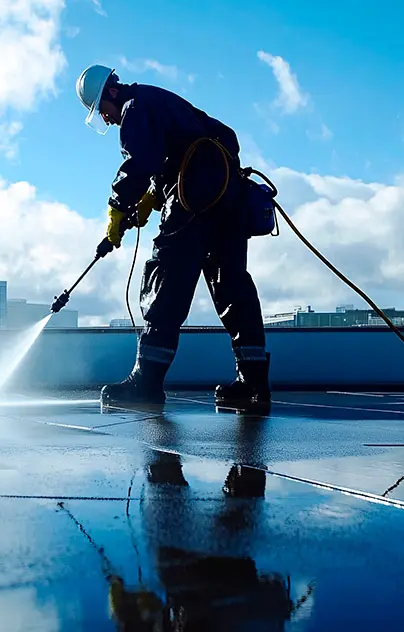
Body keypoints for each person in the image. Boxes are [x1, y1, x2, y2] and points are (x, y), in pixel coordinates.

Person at [75, 64, 272, 413]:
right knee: (232, 286)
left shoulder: (135, 108)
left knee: (166, 281)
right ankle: (253, 385)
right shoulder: (161, 101)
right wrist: (153, 198)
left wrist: (117, 209)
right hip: (227, 200)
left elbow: (139, 162)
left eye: (101, 110)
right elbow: (184, 151)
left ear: (111, 93)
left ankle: (146, 383)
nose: (106, 119)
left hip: (192, 204)